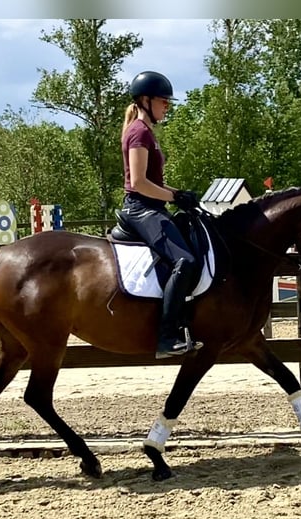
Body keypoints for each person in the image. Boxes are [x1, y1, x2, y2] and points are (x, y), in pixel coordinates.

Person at [120, 70, 202, 359]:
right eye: (163, 101)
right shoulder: (139, 132)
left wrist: (180, 193)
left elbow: (151, 181)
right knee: (185, 260)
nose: (167, 106)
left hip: (151, 205)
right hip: (141, 209)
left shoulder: (146, 132)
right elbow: (140, 183)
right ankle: (167, 337)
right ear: (146, 100)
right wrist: (174, 197)